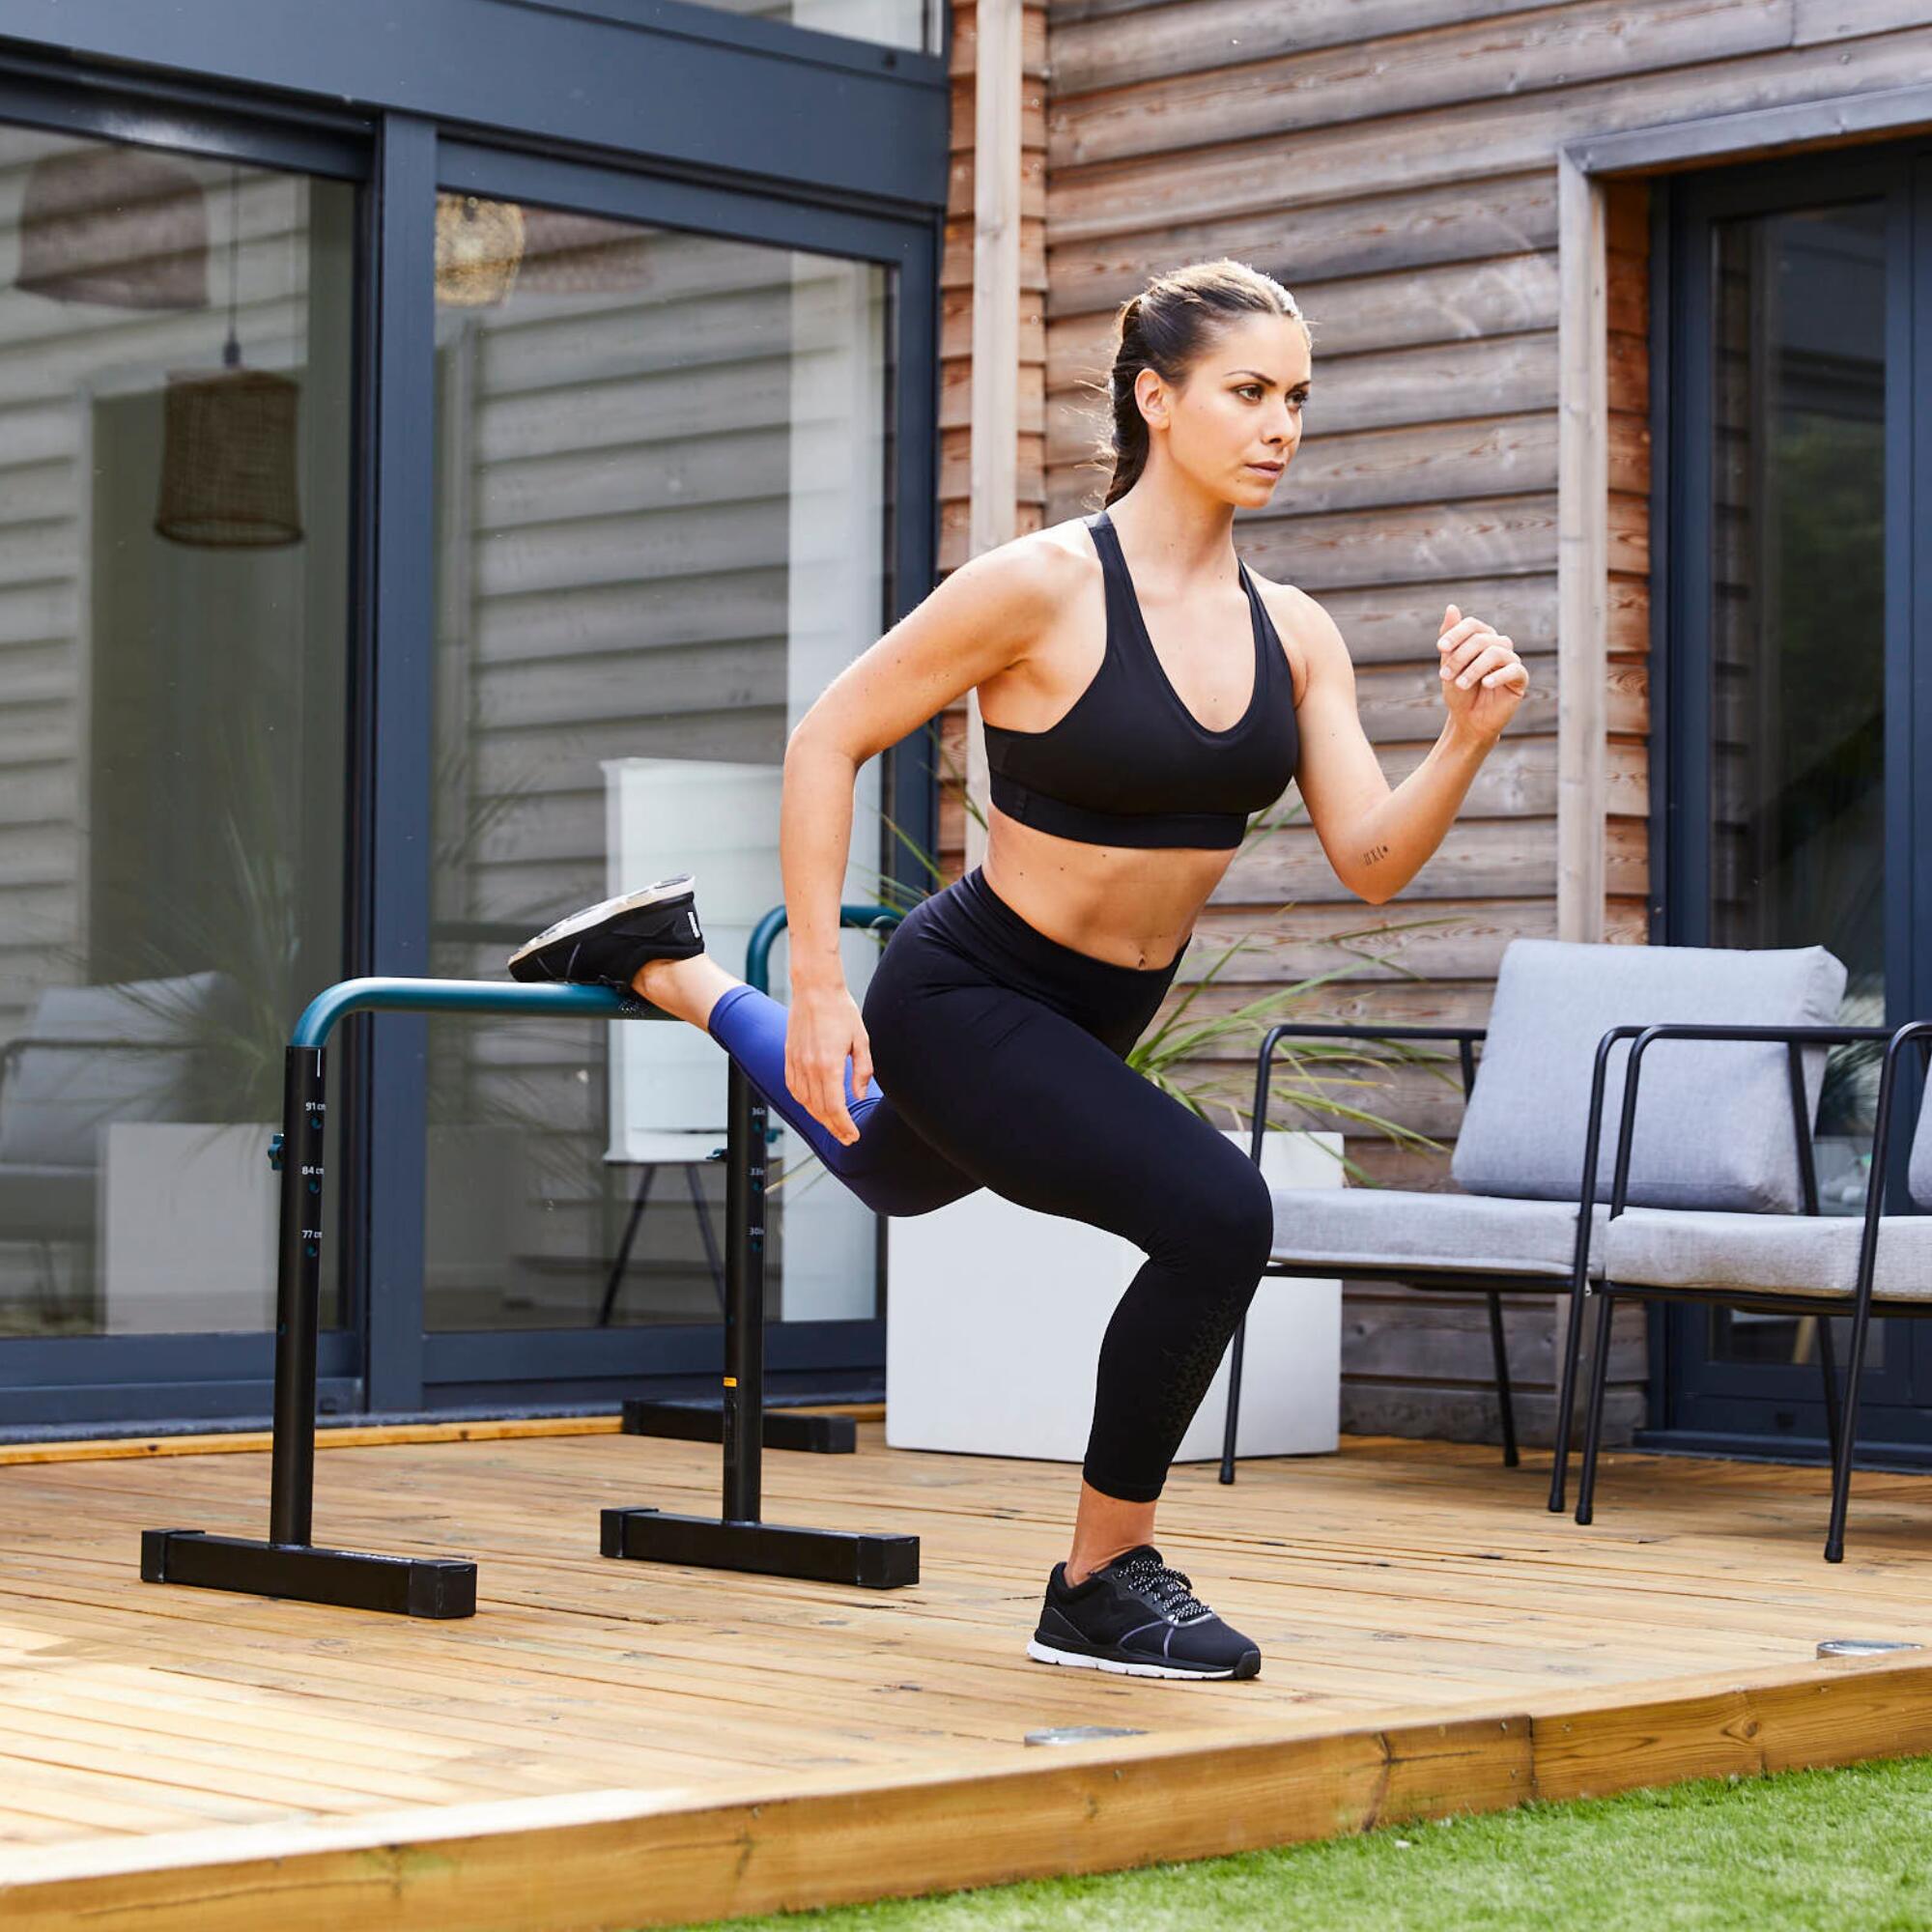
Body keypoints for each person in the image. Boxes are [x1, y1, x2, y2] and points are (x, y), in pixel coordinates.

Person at [508, 257, 1528, 1681]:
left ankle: (667, 972)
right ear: (1156, 399)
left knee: (893, 1168)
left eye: (1296, 395)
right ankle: (1100, 1580)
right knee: (1220, 1218)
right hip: (969, 990)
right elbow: (828, 737)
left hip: (1097, 1014)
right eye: (1247, 392)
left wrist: (1467, 742)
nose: (1280, 423)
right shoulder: (1043, 587)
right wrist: (816, 980)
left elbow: (1367, 856)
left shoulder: (1294, 631)